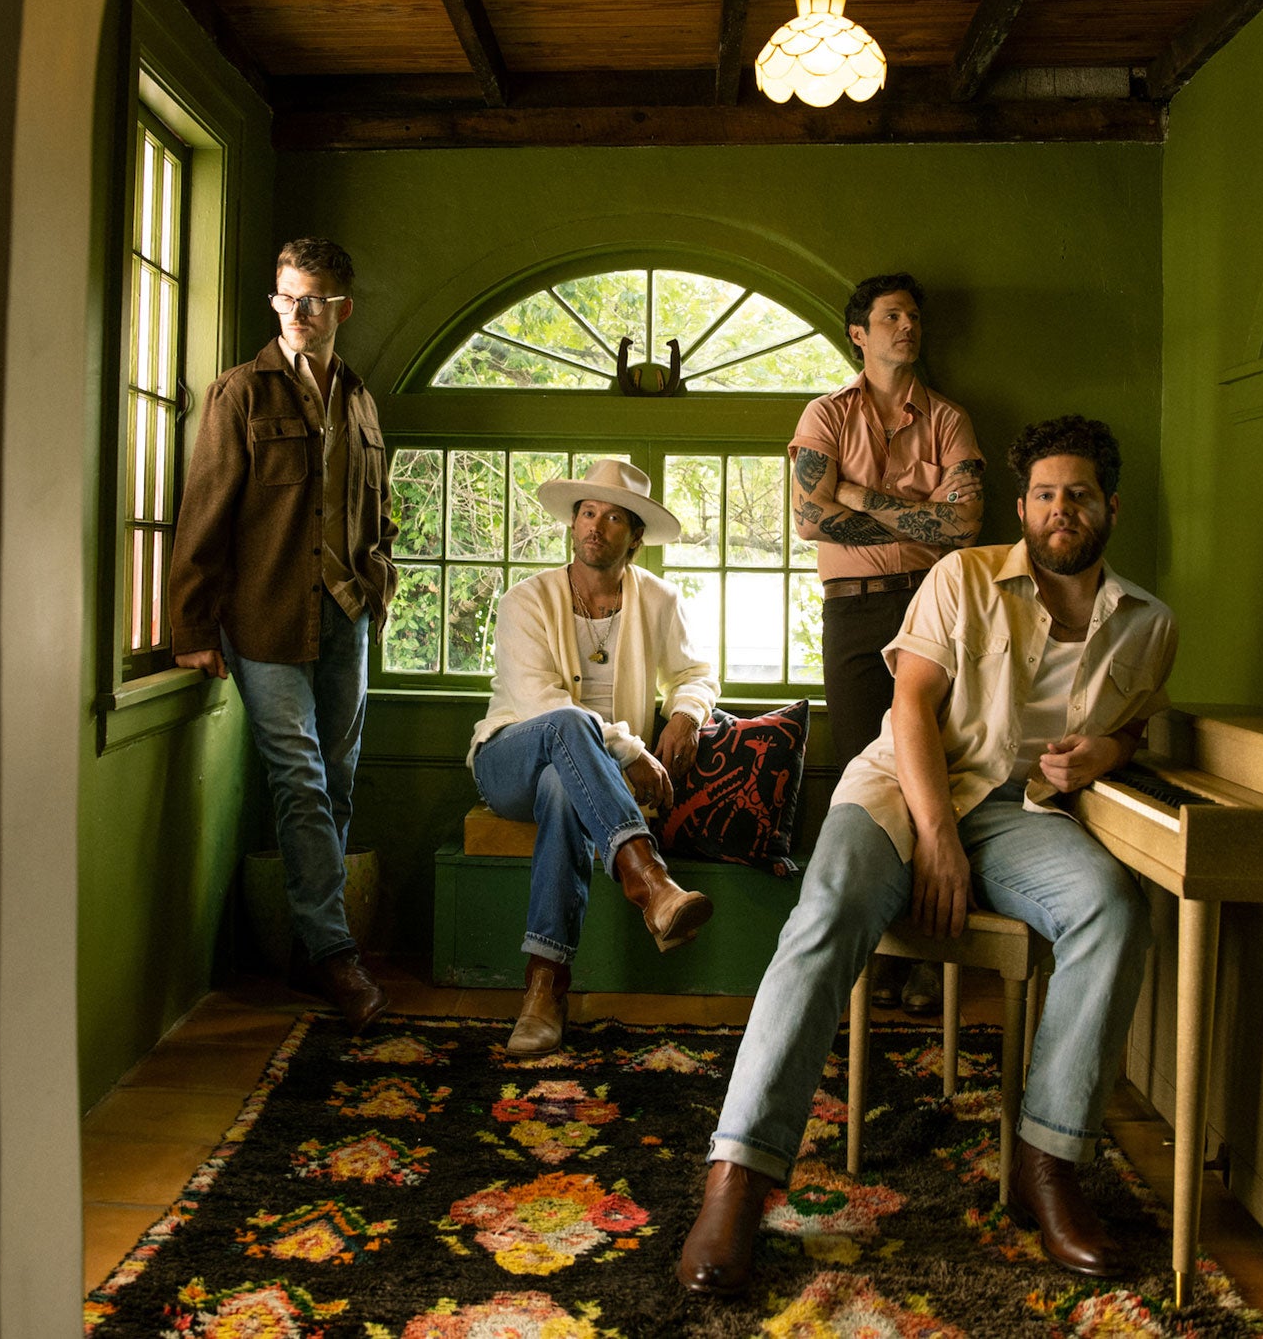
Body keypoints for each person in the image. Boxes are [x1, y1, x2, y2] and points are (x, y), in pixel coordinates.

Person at [679, 415, 1176, 1294]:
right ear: (1022, 507)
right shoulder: (962, 577)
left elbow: (1131, 725)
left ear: (1111, 507)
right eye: (1045, 494)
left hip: (1019, 813)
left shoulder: (1148, 624)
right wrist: (936, 836)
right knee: (829, 907)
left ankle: (1048, 1163)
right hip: (902, 789)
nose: (1061, 509)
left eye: (1079, 495)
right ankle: (740, 1175)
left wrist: (1107, 750)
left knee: (1112, 907)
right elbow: (909, 704)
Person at [168, 237, 397, 1034]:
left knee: (338, 780)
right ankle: (335, 953)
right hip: (263, 618)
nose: (296, 311)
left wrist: (377, 586)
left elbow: (380, 513)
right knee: (299, 778)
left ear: (342, 308)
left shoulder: (361, 401)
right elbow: (203, 512)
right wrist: (193, 624)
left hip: (345, 613)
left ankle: (309, 946)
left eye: (312, 299)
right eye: (285, 296)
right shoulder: (238, 393)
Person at [468, 458, 720, 1054]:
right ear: (573, 522)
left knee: (565, 788)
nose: (594, 526)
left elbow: (695, 673)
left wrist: (686, 714)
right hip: (509, 759)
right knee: (566, 724)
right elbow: (540, 703)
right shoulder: (525, 601)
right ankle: (651, 882)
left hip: (579, 779)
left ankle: (544, 988)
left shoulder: (659, 599)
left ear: (635, 537)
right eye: (586, 513)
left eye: (612, 518)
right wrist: (630, 751)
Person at [790, 273, 986, 1018]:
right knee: (863, 780)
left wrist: (856, 495)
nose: (908, 326)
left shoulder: (949, 419)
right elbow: (809, 518)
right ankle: (873, 951)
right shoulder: (826, 415)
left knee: (935, 771)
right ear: (859, 334)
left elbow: (963, 525)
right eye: (891, 315)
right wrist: (915, 513)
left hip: (936, 606)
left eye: (914, 315)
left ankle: (929, 955)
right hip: (854, 611)